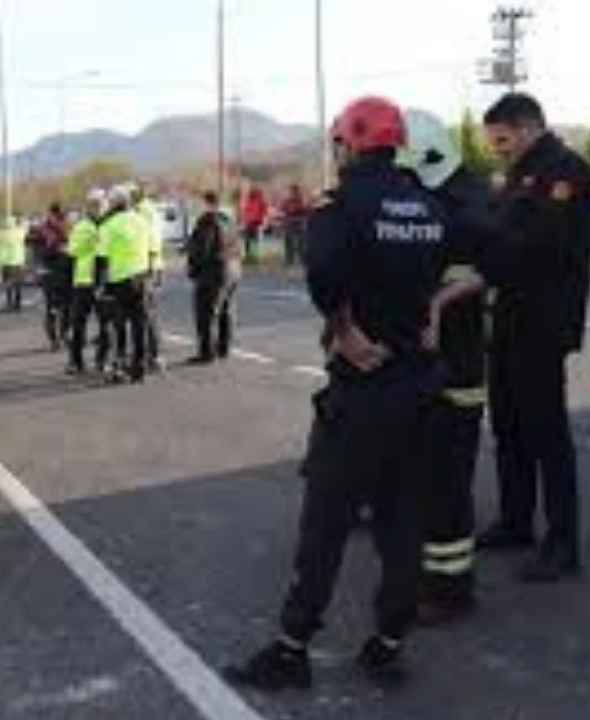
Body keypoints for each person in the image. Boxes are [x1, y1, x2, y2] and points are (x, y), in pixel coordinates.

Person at [225, 97, 449, 691]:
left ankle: (291, 649)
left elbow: (323, 271)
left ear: (349, 143)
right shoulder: (428, 204)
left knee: (325, 523)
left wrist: (344, 330)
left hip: (365, 390)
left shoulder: (343, 205)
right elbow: (479, 252)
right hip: (420, 385)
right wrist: (432, 310)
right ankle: (389, 643)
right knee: (403, 523)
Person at [479, 92, 590, 582]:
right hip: (509, 318)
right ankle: (516, 520)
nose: (498, 150)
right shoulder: (518, 174)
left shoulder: (566, 170)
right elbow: (496, 229)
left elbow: (540, 244)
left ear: (528, 127)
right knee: (508, 425)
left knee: (546, 432)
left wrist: (484, 265)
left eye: (503, 140)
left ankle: (563, 542)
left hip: (542, 322)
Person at [397, 108, 505, 624]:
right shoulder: (470, 195)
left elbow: (494, 268)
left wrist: (439, 301)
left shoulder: (459, 211)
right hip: (449, 362)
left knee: (445, 483)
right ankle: (435, 575)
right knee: (436, 478)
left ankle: (449, 590)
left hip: (454, 366)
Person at [97, 185, 150, 383]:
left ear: (114, 203)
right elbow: (150, 248)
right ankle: (139, 367)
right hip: (141, 277)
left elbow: (102, 259)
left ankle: (119, 367)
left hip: (119, 280)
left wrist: (100, 286)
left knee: (119, 326)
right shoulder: (142, 220)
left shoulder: (109, 225)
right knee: (139, 324)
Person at [184, 191, 239, 363]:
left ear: (207, 203)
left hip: (213, 272)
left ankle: (207, 352)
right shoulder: (229, 220)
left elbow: (202, 249)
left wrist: (193, 268)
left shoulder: (207, 221)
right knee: (225, 311)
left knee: (206, 313)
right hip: (232, 269)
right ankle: (224, 348)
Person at [67, 190, 108, 375]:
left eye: (100, 203)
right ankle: (75, 362)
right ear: (89, 206)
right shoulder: (82, 226)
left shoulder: (109, 224)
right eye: (94, 204)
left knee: (106, 324)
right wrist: (90, 241)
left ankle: (102, 360)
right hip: (84, 280)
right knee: (78, 323)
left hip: (103, 280)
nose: (97, 207)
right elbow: (72, 250)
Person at [134, 184, 166, 371]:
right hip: (156, 263)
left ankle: (153, 354)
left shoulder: (140, 212)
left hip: (146, 264)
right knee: (150, 311)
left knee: (145, 313)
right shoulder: (153, 209)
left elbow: (146, 239)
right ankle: (154, 353)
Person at [37, 203, 73, 350]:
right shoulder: (42, 230)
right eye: (57, 216)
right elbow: (38, 251)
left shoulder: (68, 227)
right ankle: (53, 339)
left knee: (67, 308)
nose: (59, 219)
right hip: (50, 273)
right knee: (52, 308)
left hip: (66, 273)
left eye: (61, 216)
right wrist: (56, 249)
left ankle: (64, 335)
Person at [0, 217, 28, 312]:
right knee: (18, 284)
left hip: (6, 262)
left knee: (8, 283)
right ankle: (17, 303)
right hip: (18, 261)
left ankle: (9, 302)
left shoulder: (1, 234)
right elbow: (26, 229)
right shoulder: (19, 232)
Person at [281, 184, 310, 268]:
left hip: (299, 224)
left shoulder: (301, 201)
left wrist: (298, 209)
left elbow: (307, 211)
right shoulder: (287, 201)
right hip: (289, 225)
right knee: (289, 244)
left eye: (294, 192)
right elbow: (283, 210)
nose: (292, 194)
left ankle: (301, 260)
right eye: (291, 192)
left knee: (301, 244)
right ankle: (289, 260)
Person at [240, 185, 269, 265]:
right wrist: (244, 219)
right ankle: (248, 256)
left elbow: (264, 211)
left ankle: (253, 256)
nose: (252, 193)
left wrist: (262, 220)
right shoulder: (248, 200)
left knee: (253, 241)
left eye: (253, 192)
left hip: (255, 223)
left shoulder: (260, 200)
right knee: (248, 241)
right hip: (249, 223)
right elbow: (245, 210)